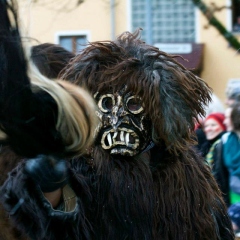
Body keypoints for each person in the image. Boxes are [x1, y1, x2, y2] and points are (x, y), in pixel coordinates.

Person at [0, 1, 234, 239]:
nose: (117, 116)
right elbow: (50, 224)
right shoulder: (80, 165)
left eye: (133, 104)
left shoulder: (183, 170)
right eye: (107, 104)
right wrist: (49, 188)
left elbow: (213, 226)